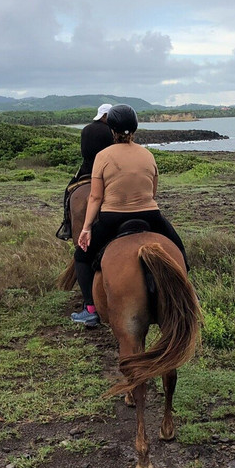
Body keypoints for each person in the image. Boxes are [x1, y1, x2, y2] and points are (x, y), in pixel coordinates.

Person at [72, 104, 188, 326]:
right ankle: (189, 295)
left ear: (112, 129)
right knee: (179, 250)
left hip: (113, 218)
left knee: (82, 257)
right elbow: (152, 192)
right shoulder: (148, 154)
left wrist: (86, 228)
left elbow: (95, 198)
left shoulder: (103, 156)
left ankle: (90, 309)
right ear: (134, 128)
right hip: (151, 214)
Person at [57, 103, 114, 241]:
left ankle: (67, 225)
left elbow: (85, 152)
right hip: (106, 168)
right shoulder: (111, 130)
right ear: (106, 116)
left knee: (68, 191)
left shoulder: (86, 129)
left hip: (87, 168)